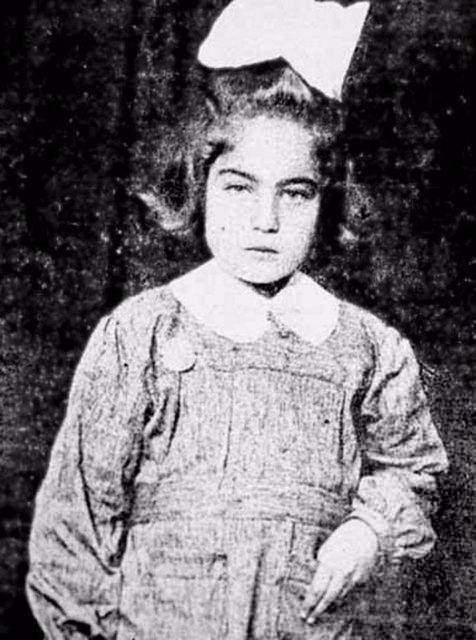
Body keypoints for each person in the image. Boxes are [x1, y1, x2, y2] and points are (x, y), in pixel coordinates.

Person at [26, 2, 448, 638]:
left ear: (327, 199)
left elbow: (415, 472)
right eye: (239, 187)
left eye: (295, 193)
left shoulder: (367, 348)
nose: (265, 220)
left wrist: (369, 530)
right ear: (198, 183)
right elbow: (74, 531)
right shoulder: (142, 334)